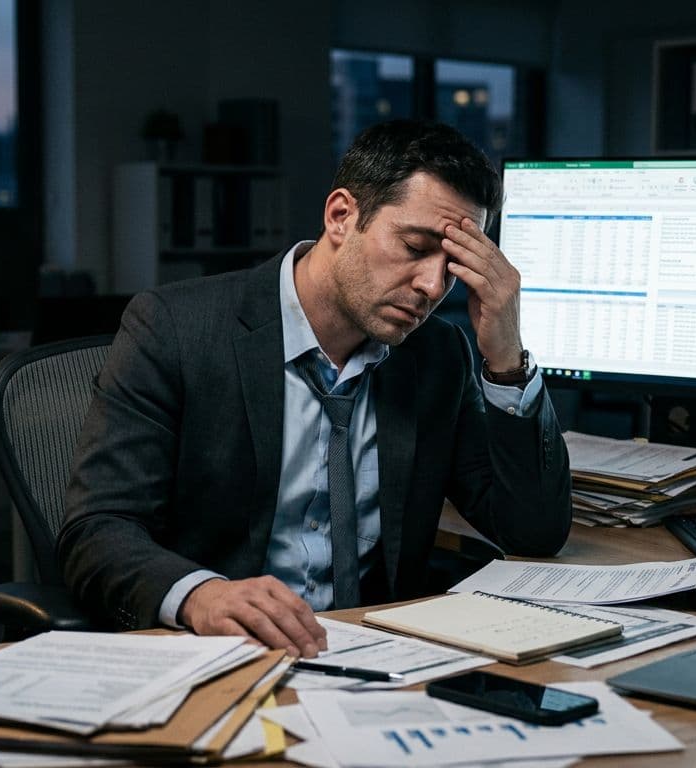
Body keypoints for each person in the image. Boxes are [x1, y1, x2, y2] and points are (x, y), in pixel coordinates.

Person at [60, 119, 571, 659]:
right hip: (220, 655)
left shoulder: (438, 355)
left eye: (454, 268)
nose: (431, 287)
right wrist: (200, 596)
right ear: (341, 217)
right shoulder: (177, 329)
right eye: (415, 246)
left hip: (382, 658)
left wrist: (507, 357)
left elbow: (532, 532)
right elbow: (98, 530)